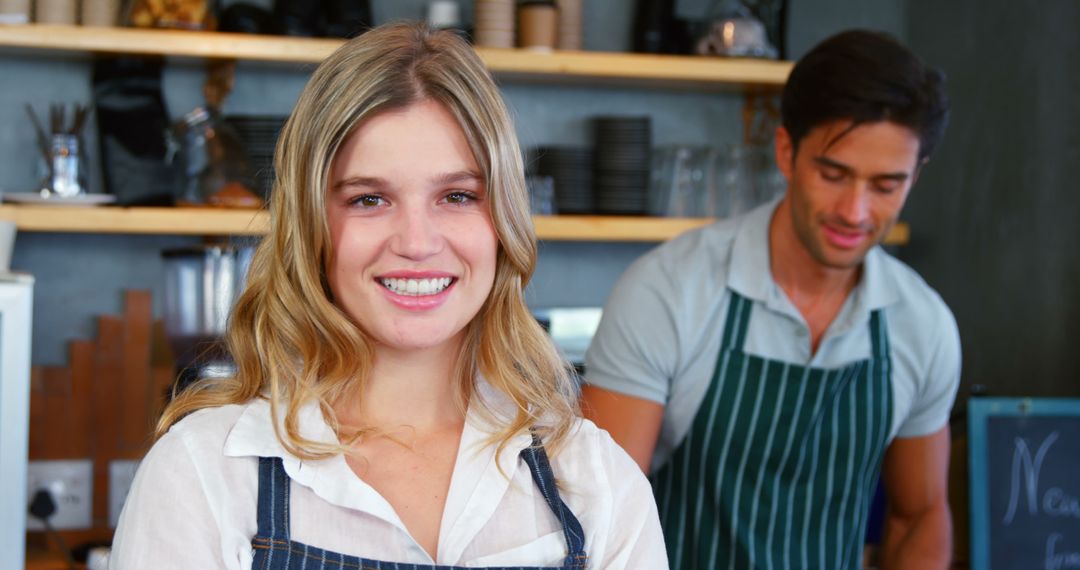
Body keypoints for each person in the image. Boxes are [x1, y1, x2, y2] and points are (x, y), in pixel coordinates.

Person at [111, 22, 666, 569]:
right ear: (310, 227)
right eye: (369, 200)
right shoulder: (203, 474)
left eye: (456, 195)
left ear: (503, 221)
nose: (417, 243)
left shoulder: (597, 483)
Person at [582, 29, 959, 570]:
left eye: (885, 186)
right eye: (834, 174)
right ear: (787, 152)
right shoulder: (667, 292)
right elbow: (600, 514)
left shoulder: (922, 325)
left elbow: (919, 517)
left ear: (915, 175)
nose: (855, 212)